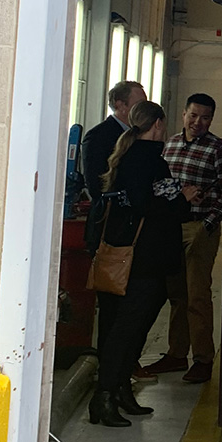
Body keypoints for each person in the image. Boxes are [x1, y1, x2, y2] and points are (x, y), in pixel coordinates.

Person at [90, 101, 202, 427]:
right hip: (143, 261)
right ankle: (105, 397)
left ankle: (120, 390)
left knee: (122, 329)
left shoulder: (126, 155)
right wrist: (183, 199)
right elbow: (149, 207)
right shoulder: (148, 159)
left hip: (127, 256)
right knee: (126, 331)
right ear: (157, 125)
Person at [141, 93, 222, 384]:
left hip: (199, 227)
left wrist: (208, 223)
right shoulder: (170, 145)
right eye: (193, 115)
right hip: (170, 227)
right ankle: (177, 354)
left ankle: (203, 358)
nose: (198, 122)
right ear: (183, 114)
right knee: (177, 294)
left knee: (197, 296)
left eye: (205, 117)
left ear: (211, 120)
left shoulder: (219, 150)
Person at [79, 81, 146, 363]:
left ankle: (122, 366)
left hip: (134, 233)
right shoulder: (99, 137)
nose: (141, 109)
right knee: (112, 304)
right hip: (111, 230)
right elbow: (98, 187)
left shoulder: (138, 138)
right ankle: (108, 365)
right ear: (119, 105)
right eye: (137, 103)